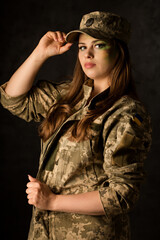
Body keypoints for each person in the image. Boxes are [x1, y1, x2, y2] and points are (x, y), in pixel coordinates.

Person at [0, 11, 152, 240]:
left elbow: (121, 194)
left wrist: (52, 201)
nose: (87, 54)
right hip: (45, 232)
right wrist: (40, 54)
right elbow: (13, 99)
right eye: (82, 47)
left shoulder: (126, 113)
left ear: (118, 51)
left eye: (98, 45)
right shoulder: (67, 97)